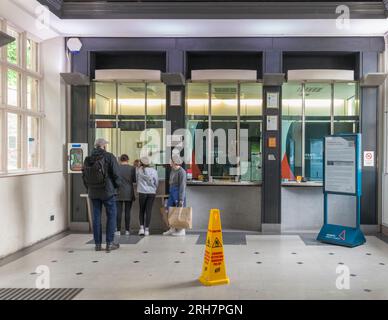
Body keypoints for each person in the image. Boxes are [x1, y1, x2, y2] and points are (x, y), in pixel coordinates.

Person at [82, 138, 121, 253]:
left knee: (96, 217)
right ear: (103, 146)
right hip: (108, 191)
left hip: (93, 192)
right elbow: (116, 174)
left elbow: (84, 176)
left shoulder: (88, 159)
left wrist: (89, 188)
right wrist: (117, 186)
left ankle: (97, 244)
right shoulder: (109, 157)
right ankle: (109, 243)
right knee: (111, 216)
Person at [163, 154, 187, 237]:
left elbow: (182, 186)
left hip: (178, 192)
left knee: (180, 211)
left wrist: (181, 200)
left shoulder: (182, 172)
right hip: (172, 192)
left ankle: (182, 229)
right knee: (170, 210)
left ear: (175, 162)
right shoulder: (172, 170)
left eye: (171, 161)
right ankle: (172, 228)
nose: (170, 162)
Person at [136, 156, 159, 236]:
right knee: (148, 210)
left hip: (142, 192)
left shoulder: (139, 170)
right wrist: (154, 188)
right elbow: (156, 182)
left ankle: (141, 229)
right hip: (151, 193)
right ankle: (147, 230)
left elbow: (136, 180)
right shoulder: (154, 171)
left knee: (141, 210)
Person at [115, 154, 136, 237]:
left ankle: (118, 230)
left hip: (118, 192)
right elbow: (134, 180)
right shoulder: (132, 168)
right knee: (128, 212)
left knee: (118, 212)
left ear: (120, 160)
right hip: (129, 192)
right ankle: (127, 230)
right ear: (128, 160)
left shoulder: (117, 168)